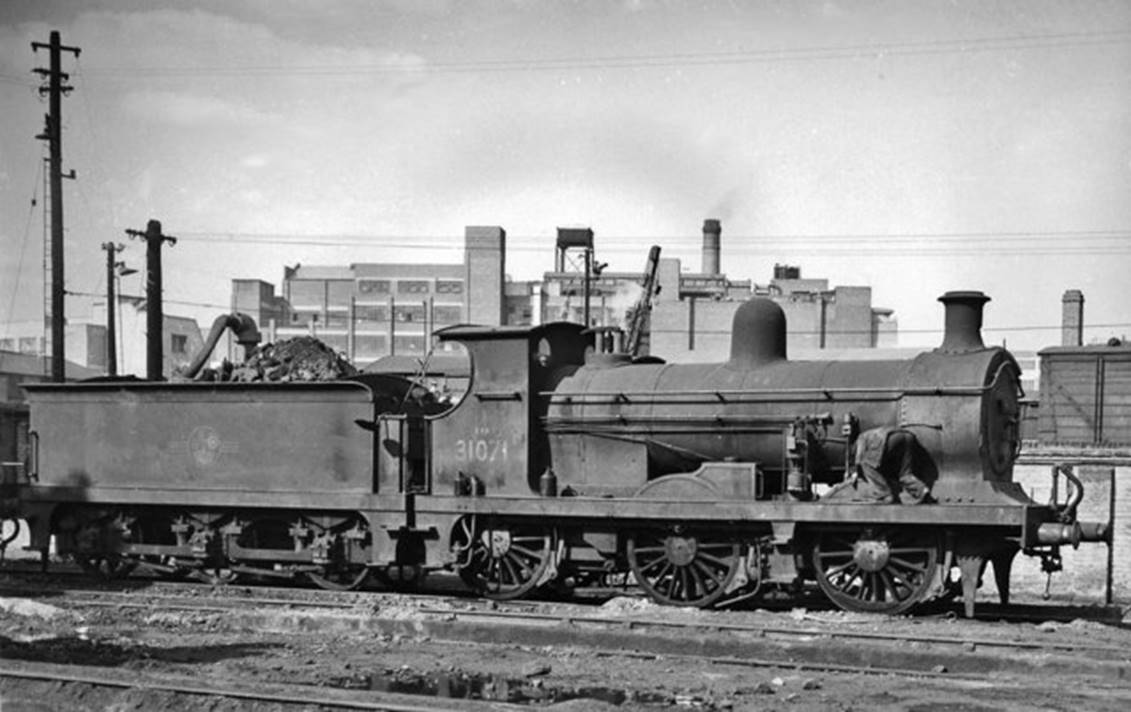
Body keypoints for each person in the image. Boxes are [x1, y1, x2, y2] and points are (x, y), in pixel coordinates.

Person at [827, 427, 932, 504]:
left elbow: (859, 459)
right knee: (905, 474)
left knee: (866, 464)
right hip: (907, 436)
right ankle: (922, 491)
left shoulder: (860, 439)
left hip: (887, 438)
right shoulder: (871, 433)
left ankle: (885, 494)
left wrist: (855, 473)